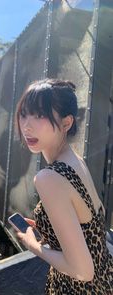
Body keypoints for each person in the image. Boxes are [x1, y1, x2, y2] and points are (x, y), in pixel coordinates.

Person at [14, 79, 113, 294]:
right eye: (24, 113)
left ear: (66, 123)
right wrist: (51, 230)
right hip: (105, 279)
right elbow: (89, 224)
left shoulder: (48, 178)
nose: (27, 125)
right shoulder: (75, 161)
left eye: (39, 115)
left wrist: (33, 245)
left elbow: (82, 271)